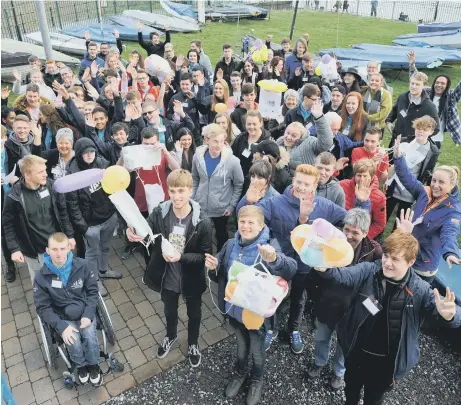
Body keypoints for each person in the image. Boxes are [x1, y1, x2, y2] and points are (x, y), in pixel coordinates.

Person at [312, 228, 461, 405]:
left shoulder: (419, 290)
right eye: (386, 255)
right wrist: (324, 268)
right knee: (350, 390)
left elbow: (453, 315)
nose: (387, 263)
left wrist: (451, 315)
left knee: (373, 400)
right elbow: (344, 275)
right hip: (356, 352)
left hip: (386, 365)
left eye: (395, 259)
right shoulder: (369, 271)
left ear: (411, 261)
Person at [237, 164, 371, 353]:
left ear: (315, 186)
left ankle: (294, 329)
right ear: (293, 181)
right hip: (278, 262)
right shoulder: (275, 203)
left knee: (299, 299)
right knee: (269, 296)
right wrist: (248, 201)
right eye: (298, 182)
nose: (301, 187)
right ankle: (270, 329)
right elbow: (244, 219)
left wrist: (362, 203)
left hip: (304, 267)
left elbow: (353, 222)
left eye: (307, 184)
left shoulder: (324, 207)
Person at [205, 205, 296, 405]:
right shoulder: (230, 245)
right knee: (241, 346)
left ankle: (257, 378)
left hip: (257, 317)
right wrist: (213, 268)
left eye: (250, 222)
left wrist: (274, 259)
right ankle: (240, 372)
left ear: (261, 225)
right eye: (242, 222)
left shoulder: (269, 246)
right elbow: (219, 277)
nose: (245, 226)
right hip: (234, 312)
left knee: (256, 350)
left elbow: (291, 269)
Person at [128, 169, 213, 367]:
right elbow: (144, 227)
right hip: (166, 276)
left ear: (190, 191)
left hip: (191, 278)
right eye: (173, 191)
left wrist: (181, 257)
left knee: (194, 314)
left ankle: (193, 343)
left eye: (181, 191)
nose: (177, 197)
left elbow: (203, 256)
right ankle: (171, 335)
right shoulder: (160, 212)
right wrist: (130, 231)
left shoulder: (203, 222)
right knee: (169, 311)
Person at [309, 208, 382, 389]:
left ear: (365, 233)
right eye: (346, 230)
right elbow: (316, 273)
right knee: (321, 338)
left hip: (353, 310)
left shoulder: (375, 252)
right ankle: (319, 362)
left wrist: (373, 312)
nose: (348, 235)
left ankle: (338, 372)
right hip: (328, 304)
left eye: (355, 233)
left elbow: (380, 285)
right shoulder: (331, 242)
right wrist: (314, 299)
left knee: (345, 345)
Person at [33, 232, 102, 386]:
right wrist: (61, 327)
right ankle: (81, 366)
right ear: (47, 250)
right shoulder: (41, 277)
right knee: (74, 341)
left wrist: (88, 314)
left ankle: (93, 365)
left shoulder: (83, 266)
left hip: (84, 311)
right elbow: (43, 307)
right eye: (55, 249)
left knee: (90, 335)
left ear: (69, 248)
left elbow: (92, 292)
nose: (59, 254)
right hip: (62, 317)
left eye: (62, 249)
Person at [392, 135, 461, 282]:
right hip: (406, 253)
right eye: (434, 180)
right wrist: (398, 157)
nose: (435, 185)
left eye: (441, 182)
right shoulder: (426, 192)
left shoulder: (453, 211)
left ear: (452, 186)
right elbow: (408, 178)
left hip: (423, 265)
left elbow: (450, 233)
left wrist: (450, 253)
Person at [2, 155, 75, 281]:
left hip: (56, 247)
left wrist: (69, 235)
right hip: (34, 251)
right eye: (40, 172)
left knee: (62, 278)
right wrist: (14, 249)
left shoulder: (51, 186)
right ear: (27, 174)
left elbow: (62, 212)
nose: (45, 174)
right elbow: (8, 224)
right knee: (40, 283)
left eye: (45, 170)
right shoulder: (13, 196)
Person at [65, 138, 120, 297]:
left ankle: (103, 270)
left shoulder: (103, 164)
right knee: (91, 254)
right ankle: (94, 280)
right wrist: (84, 228)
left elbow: (113, 188)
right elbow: (72, 206)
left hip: (109, 217)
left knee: (105, 247)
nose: (89, 155)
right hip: (91, 225)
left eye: (92, 151)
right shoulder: (73, 174)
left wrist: (115, 212)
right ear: (79, 153)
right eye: (85, 152)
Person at [192, 124, 244, 251]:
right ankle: (204, 259)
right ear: (207, 140)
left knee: (221, 236)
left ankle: (222, 257)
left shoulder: (233, 162)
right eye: (215, 141)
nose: (218, 145)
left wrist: (231, 206)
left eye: (222, 141)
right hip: (201, 206)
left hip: (221, 208)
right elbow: (195, 178)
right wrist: (193, 200)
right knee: (203, 235)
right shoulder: (197, 157)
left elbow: (238, 184)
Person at [386, 116, 440, 225]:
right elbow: (391, 163)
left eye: (425, 129)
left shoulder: (433, 151)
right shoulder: (405, 141)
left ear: (431, 132)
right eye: (418, 128)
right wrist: (387, 180)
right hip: (393, 187)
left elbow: (428, 173)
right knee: (384, 216)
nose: (420, 131)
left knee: (401, 223)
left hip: (410, 193)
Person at [408, 52, 461, 148]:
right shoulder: (427, 92)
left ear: (447, 86)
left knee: (430, 160)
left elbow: (460, 88)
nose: (439, 85)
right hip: (420, 134)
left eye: (442, 83)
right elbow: (417, 80)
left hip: (436, 137)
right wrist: (412, 65)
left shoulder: (451, 96)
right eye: (437, 82)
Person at [386, 72, 439, 146]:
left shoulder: (429, 106)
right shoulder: (402, 97)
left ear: (424, 86)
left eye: (417, 84)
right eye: (412, 83)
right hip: (396, 141)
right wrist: (389, 121)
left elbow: (436, 128)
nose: (413, 86)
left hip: (413, 145)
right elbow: (395, 110)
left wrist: (421, 138)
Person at [340, 159, 386, 240]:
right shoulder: (342, 185)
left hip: (358, 236)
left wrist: (363, 237)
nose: (361, 179)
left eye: (365, 176)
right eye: (359, 175)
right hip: (340, 230)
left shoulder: (379, 197)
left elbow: (379, 224)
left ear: (371, 178)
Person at [231, 110, 271, 189]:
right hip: (238, 180)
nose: (251, 127)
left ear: (261, 123)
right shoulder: (240, 138)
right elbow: (232, 157)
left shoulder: (268, 141)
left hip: (256, 183)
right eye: (249, 124)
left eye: (254, 124)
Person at [288, 100, 334, 169]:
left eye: (294, 135)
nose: (288, 137)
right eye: (287, 133)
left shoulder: (309, 143)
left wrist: (319, 118)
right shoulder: (278, 145)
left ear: (301, 136)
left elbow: (326, 143)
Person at [1, 126, 16, 282]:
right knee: (4, 233)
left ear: (5, 138)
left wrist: (16, 179)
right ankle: (9, 264)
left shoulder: (12, 153)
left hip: (14, 195)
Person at [4, 115, 35, 180]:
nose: (22, 131)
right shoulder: (6, 145)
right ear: (13, 128)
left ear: (29, 128)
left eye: (25, 128)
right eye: (19, 128)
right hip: (15, 181)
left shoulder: (36, 142)